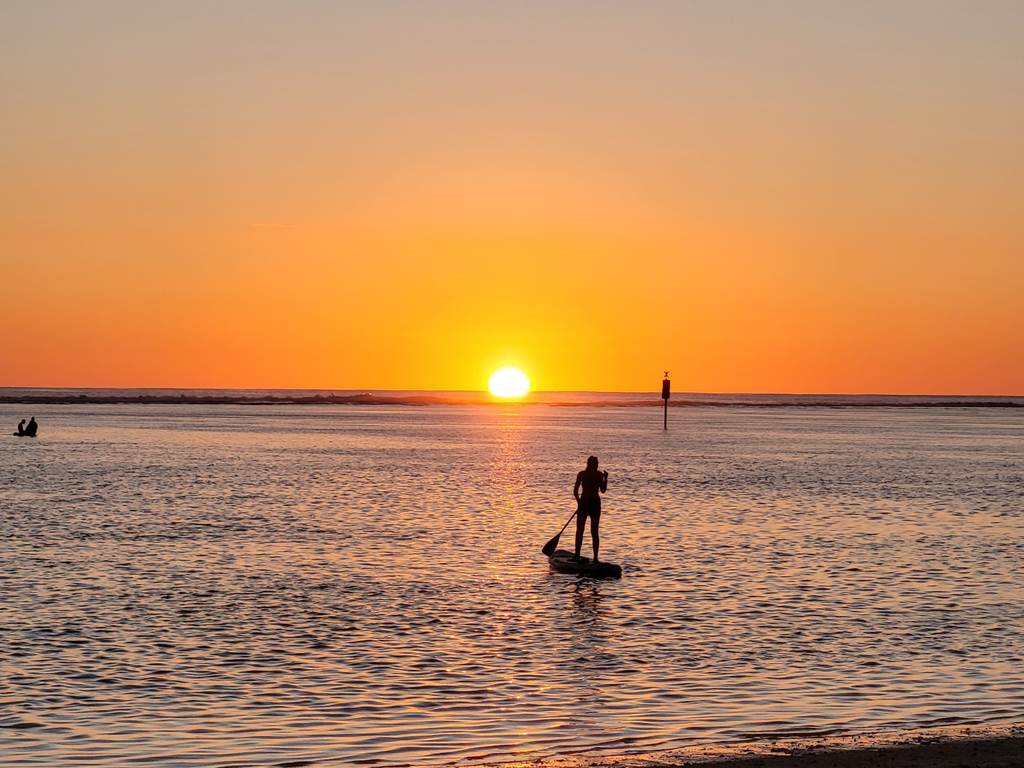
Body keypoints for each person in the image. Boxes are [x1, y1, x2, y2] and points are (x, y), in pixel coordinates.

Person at [573, 455, 608, 563]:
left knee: (591, 531)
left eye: (596, 464)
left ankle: (593, 558)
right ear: (590, 464)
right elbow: (575, 491)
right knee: (583, 530)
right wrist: (579, 503)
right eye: (595, 464)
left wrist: (605, 479)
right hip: (588, 503)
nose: (596, 466)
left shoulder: (595, 475)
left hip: (590, 504)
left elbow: (602, 490)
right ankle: (580, 556)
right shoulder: (585, 474)